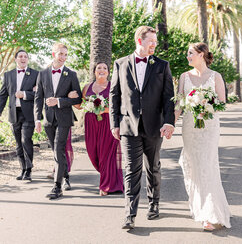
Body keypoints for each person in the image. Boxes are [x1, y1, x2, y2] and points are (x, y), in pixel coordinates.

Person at [109, 26, 175, 229]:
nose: (154, 44)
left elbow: (168, 97)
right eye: (151, 41)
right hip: (129, 126)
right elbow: (114, 95)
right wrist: (114, 123)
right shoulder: (120, 64)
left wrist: (169, 121)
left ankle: (154, 204)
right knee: (131, 170)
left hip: (154, 126)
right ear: (140, 40)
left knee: (153, 167)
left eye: (155, 41)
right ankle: (130, 214)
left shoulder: (162, 65)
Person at [174, 43, 231, 231]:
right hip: (190, 127)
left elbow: (222, 103)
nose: (187, 56)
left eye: (190, 53)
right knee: (192, 165)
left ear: (201, 54)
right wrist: (170, 124)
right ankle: (199, 206)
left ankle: (210, 213)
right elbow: (179, 104)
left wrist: (205, 105)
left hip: (209, 127)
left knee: (207, 165)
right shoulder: (184, 77)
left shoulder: (216, 76)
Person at [34, 43, 82, 199]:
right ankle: (66, 177)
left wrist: (60, 101)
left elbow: (79, 99)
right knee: (56, 150)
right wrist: (37, 119)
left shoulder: (72, 74)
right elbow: (38, 98)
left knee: (58, 149)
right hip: (48, 119)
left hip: (64, 118)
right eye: (60, 54)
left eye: (65, 55)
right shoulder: (42, 74)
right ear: (53, 54)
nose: (63, 57)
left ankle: (57, 187)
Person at [68, 62, 123, 196]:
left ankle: (105, 186)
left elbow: (119, 106)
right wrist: (71, 98)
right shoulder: (87, 87)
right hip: (91, 124)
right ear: (94, 71)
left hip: (108, 124)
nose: (102, 70)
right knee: (93, 153)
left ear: (108, 72)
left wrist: (103, 110)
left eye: (105, 68)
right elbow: (80, 105)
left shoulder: (113, 87)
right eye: (99, 68)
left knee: (106, 154)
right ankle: (111, 180)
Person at [0, 50, 39, 181]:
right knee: (18, 143)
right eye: (20, 56)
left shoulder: (35, 74)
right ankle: (22, 168)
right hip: (13, 114)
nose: (23, 58)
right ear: (16, 59)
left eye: (25, 56)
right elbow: (3, 96)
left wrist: (26, 94)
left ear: (28, 59)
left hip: (28, 113)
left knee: (25, 140)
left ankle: (28, 170)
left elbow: (40, 94)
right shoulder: (8, 75)